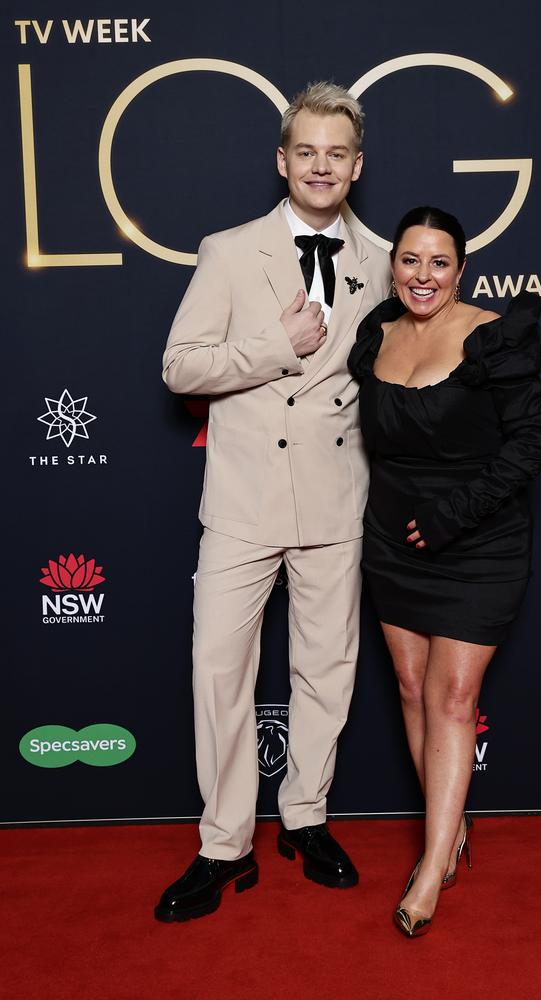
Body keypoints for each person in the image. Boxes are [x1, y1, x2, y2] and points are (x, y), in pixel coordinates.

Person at [155, 82, 391, 922]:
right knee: (219, 670)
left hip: (336, 500)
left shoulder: (385, 259)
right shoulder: (228, 251)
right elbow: (180, 367)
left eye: (337, 154)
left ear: (356, 166)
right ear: (282, 161)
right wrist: (271, 347)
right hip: (243, 502)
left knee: (326, 671)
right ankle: (224, 844)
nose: (320, 166)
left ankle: (306, 817)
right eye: (306, 152)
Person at [347, 206, 541, 937]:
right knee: (411, 688)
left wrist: (451, 515)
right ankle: (451, 828)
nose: (423, 276)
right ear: (394, 265)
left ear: (461, 269)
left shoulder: (495, 336)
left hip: (478, 543)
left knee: (454, 698)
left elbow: (533, 442)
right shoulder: (376, 333)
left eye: (439, 262)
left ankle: (432, 865)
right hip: (392, 543)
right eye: (410, 260)